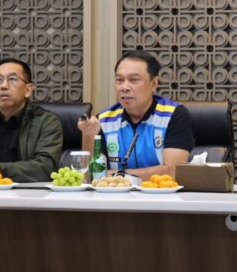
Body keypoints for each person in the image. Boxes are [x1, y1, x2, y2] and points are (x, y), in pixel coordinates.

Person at [78, 50, 193, 178]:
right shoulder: (104, 120)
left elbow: (172, 172)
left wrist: (117, 175)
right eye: (119, 80)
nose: (124, 87)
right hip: (116, 191)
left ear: (154, 84)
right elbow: (92, 175)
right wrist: (89, 135)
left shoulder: (173, 115)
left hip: (160, 191)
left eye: (134, 80)